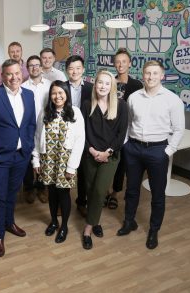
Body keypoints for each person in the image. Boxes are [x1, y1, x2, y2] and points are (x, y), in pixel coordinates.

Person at [117, 60, 185, 249]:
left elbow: (179, 129)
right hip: (133, 149)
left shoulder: (172, 100)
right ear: (143, 74)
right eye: (148, 73)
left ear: (162, 76)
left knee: (157, 194)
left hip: (158, 150)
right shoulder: (134, 97)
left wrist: (167, 151)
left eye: (155, 73)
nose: (151, 77)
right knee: (131, 189)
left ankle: (154, 230)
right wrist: (125, 145)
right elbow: (128, 123)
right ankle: (129, 221)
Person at [0, 59, 36, 257]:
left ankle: (10, 222)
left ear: (22, 73)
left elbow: (30, 124)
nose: (14, 77)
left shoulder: (29, 95)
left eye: (17, 73)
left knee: (12, 194)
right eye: (9, 74)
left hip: (21, 156)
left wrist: (28, 148)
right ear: (2, 76)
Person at [32, 80, 85, 243]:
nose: (57, 96)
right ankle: (54, 221)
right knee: (52, 193)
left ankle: (64, 226)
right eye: (54, 93)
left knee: (63, 194)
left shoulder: (75, 112)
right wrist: (36, 161)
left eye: (60, 93)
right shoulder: (44, 113)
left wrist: (72, 166)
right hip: (48, 159)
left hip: (65, 161)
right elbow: (37, 137)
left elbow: (79, 140)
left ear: (66, 95)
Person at [81, 70, 128, 250]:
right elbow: (82, 132)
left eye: (107, 83)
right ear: (95, 85)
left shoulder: (121, 106)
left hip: (110, 156)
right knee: (92, 190)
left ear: (112, 87)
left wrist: (107, 152)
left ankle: (87, 229)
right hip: (90, 154)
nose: (103, 86)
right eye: (100, 82)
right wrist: (92, 151)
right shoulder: (87, 105)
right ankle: (96, 221)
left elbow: (121, 134)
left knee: (101, 191)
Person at [106, 48, 143, 210]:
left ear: (129, 64)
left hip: (128, 131)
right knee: (107, 162)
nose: (120, 65)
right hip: (108, 129)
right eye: (118, 62)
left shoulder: (136, 85)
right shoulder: (109, 82)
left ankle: (114, 193)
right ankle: (104, 190)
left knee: (121, 163)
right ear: (114, 64)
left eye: (124, 62)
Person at [64, 55, 93, 218]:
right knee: (65, 169)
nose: (74, 71)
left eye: (77, 68)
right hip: (66, 135)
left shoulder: (91, 87)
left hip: (85, 135)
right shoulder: (61, 87)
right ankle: (64, 202)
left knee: (83, 171)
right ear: (67, 70)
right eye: (70, 68)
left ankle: (81, 202)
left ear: (82, 69)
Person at [21, 55, 51, 204]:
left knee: (43, 157)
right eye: (31, 65)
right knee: (27, 158)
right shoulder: (23, 87)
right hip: (28, 128)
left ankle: (41, 187)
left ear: (41, 67)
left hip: (46, 127)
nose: (34, 67)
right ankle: (28, 188)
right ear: (27, 69)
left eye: (37, 65)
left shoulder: (50, 85)